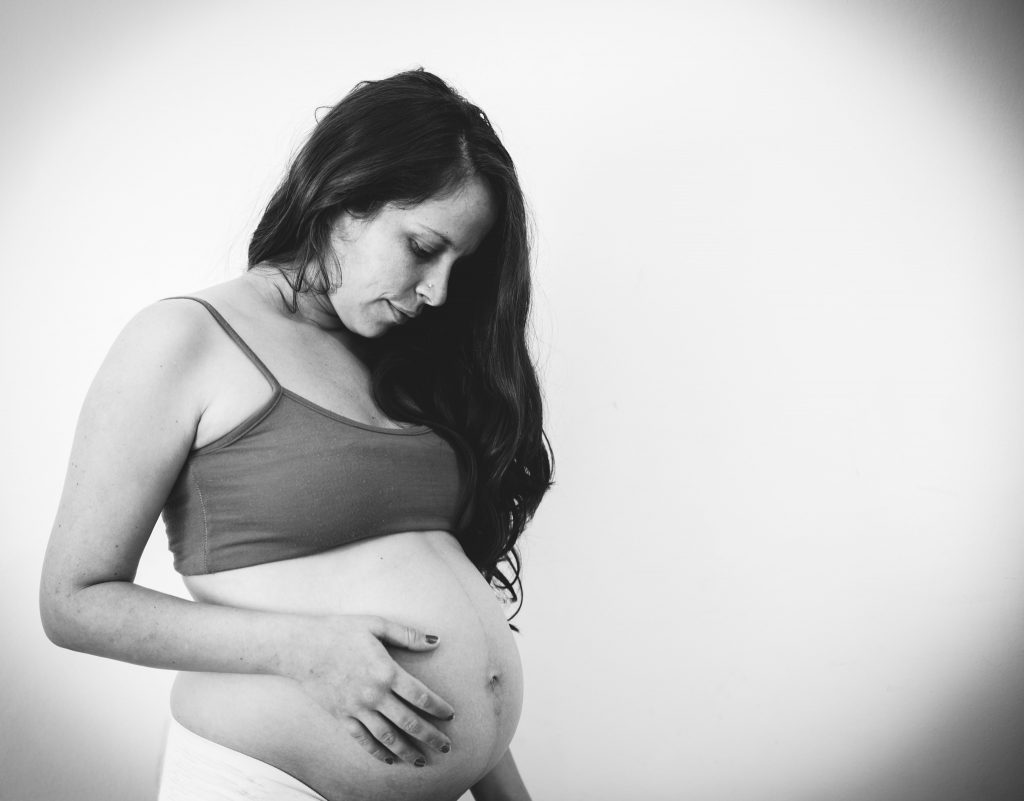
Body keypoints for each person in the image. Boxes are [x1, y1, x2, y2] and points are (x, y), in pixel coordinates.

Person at [39, 68, 553, 801]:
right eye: (421, 246)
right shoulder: (183, 339)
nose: (438, 291)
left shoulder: (392, 355)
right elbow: (73, 599)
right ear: (345, 196)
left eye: (457, 265)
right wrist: (304, 648)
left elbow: (446, 624)